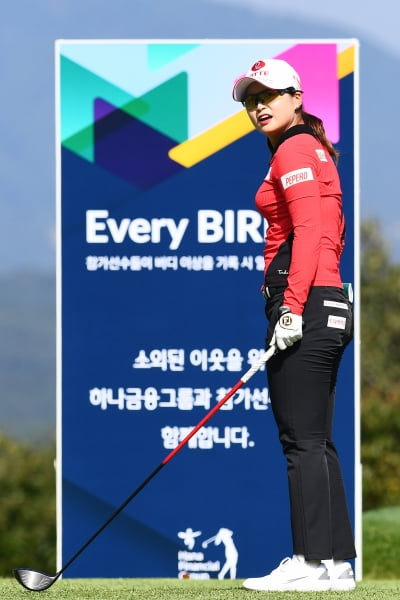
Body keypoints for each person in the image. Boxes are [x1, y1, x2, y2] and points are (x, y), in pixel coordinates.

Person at [232, 58, 356, 592]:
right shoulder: (308, 148)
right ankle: (337, 565)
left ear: (297, 96)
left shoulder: (295, 149)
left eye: (270, 94)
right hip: (325, 301)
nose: (259, 104)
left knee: (301, 441)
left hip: (304, 302)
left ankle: (308, 561)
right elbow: (331, 232)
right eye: (250, 97)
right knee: (317, 441)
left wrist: (290, 307)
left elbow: (308, 234)